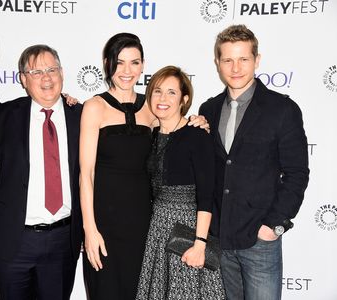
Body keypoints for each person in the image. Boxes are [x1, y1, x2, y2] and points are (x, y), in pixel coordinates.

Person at [79, 33, 207, 300]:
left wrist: (198, 122)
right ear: (107, 63)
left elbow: (177, 134)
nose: (127, 71)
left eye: (134, 63)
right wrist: (90, 230)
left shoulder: (152, 107)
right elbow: (86, 174)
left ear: (143, 65)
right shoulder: (94, 107)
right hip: (104, 222)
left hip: (144, 222)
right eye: (120, 62)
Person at [199, 24, 309, 300]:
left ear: (257, 60)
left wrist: (274, 226)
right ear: (217, 63)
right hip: (219, 239)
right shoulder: (208, 109)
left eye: (243, 59)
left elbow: (297, 174)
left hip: (259, 240)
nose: (236, 68)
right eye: (228, 60)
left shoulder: (282, 109)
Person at [0, 44, 83, 300]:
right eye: (36, 72)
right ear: (23, 79)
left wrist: (188, 122)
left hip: (62, 240)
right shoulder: (4, 116)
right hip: (14, 241)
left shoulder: (82, 115)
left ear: (62, 73)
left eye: (52, 69)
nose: (46, 78)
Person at [136, 66, 225, 299]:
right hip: (157, 228)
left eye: (171, 92)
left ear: (184, 99)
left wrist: (199, 244)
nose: (163, 98)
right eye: (157, 91)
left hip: (187, 230)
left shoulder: (197, 135)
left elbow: (207, 196)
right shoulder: (151, 135)